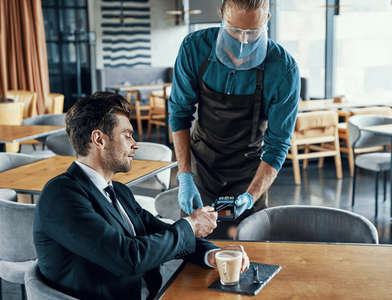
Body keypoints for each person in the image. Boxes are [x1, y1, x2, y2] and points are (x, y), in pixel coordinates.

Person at [33, 92, 250, 300]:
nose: (135, 144)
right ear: (99, 139)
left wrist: (211, 254)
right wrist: (190, 225)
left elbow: (161, 232)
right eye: (127, 135)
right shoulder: (61, 196)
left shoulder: (118, 191)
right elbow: (128, 258)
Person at [169, 0, 300, 236]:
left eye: (253, 32)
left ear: (267, 20)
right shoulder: (195, 48)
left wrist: (251, 195)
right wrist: (185, 176)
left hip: (250, 172)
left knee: (250, 255)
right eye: (234, 30)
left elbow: (278, 143)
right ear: (221, 15)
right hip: (201, 168)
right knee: (195, 256)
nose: (243, 40)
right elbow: (179, 115)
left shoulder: (283, 68)